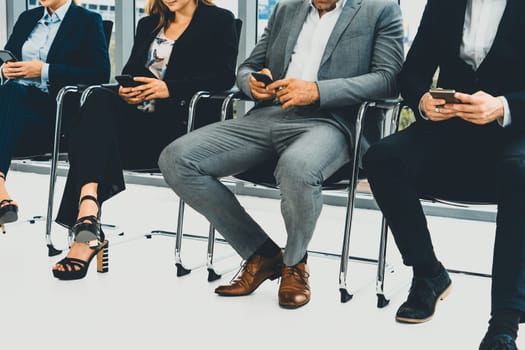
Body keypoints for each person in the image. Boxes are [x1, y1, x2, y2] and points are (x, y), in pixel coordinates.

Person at [158, 0, 403, 309]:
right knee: (176, 158)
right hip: (268, 115)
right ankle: (261, 253)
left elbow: (388, 79)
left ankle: (295, 263)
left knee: (297, 167)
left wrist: (317, 90)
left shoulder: (379, 10)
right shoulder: (286, 9)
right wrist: (252, 83)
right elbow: (247, 67)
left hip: (331, 121)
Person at [363, 0, 525, 348]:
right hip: (451, 130)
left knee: (519, 172)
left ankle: (504, 324)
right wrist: (422, 98)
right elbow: (413, 70)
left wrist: (503, 105)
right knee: (381, 159)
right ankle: (428, 273)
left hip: (514, 131)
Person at [51, 0, 238, 280]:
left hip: (179, 129)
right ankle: (88, 210)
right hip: (137, 124)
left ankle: (86, 233)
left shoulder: (219, 19)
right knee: (98, 99)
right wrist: (126, 90)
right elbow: (131, 71)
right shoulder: (149, 23)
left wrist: (168, 89)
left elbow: (223, 78)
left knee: (88, 141)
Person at [0, 0, 110, 233]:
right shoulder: (27, 19)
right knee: (11, 89)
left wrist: (44, 71)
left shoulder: (88, 21)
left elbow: (99, 73)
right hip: (15, 109)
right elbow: (7, 59)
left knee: (12, 91)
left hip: (56, 112)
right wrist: (4, 70)